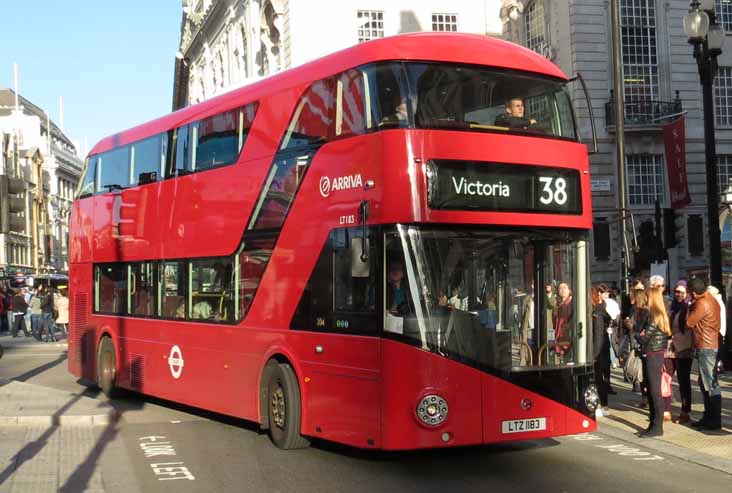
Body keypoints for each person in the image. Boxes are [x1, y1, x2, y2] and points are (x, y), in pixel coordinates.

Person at [686, 278, 723, 430]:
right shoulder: (712, 299)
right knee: (706, 383)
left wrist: (689, 307)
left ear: (694, 293)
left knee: (710, 384)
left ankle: (714, 420)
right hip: (710, 343)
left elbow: (689, 322)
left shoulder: (701, 304)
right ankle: (709, 416)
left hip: (705, 345)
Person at [636, 286, 671, 438]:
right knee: (651, 390)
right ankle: (653, 423)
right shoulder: (657, 314)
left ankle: (657, 426)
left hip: (653, 353)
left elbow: (644, 337)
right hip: (654, 353)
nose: (644, 298)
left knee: (654, 392)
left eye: (647, 296)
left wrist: (636, 333)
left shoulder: (654, 315)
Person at [664, 280, 693, 424]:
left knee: (683, 381)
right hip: (670, 347)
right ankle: (666, 409)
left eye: (682, 292)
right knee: (666, 378)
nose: (679, 294)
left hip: (684, 348)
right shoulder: (672, 307)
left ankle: (685, 411)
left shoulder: (689, 307)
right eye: (677, 291)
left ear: (687, 293)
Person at [592, 287, 612, 417]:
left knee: (598, 377)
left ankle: (602, 405)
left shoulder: (597, 311)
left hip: (598, 350)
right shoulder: (599, 309)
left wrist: (595, 354)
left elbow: (598, 334)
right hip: (601, 349)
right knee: (600, 377)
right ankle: (603, 404)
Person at [600, 283, 620, 394]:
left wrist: (611, 324)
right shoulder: (598, 304)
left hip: (609, 333)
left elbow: (616, 317)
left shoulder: (611, 303)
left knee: (607, 362)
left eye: (607, 293)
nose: (606, 295)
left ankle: (607, 384)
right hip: (602, 335)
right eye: (604, 293)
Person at [553, 282, 573, 360]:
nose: (562, 290)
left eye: (565, 287)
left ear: (569, 290)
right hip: (559, 336)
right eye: (560, 288)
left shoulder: (571, 303)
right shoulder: (558, 304)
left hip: (566, 336)